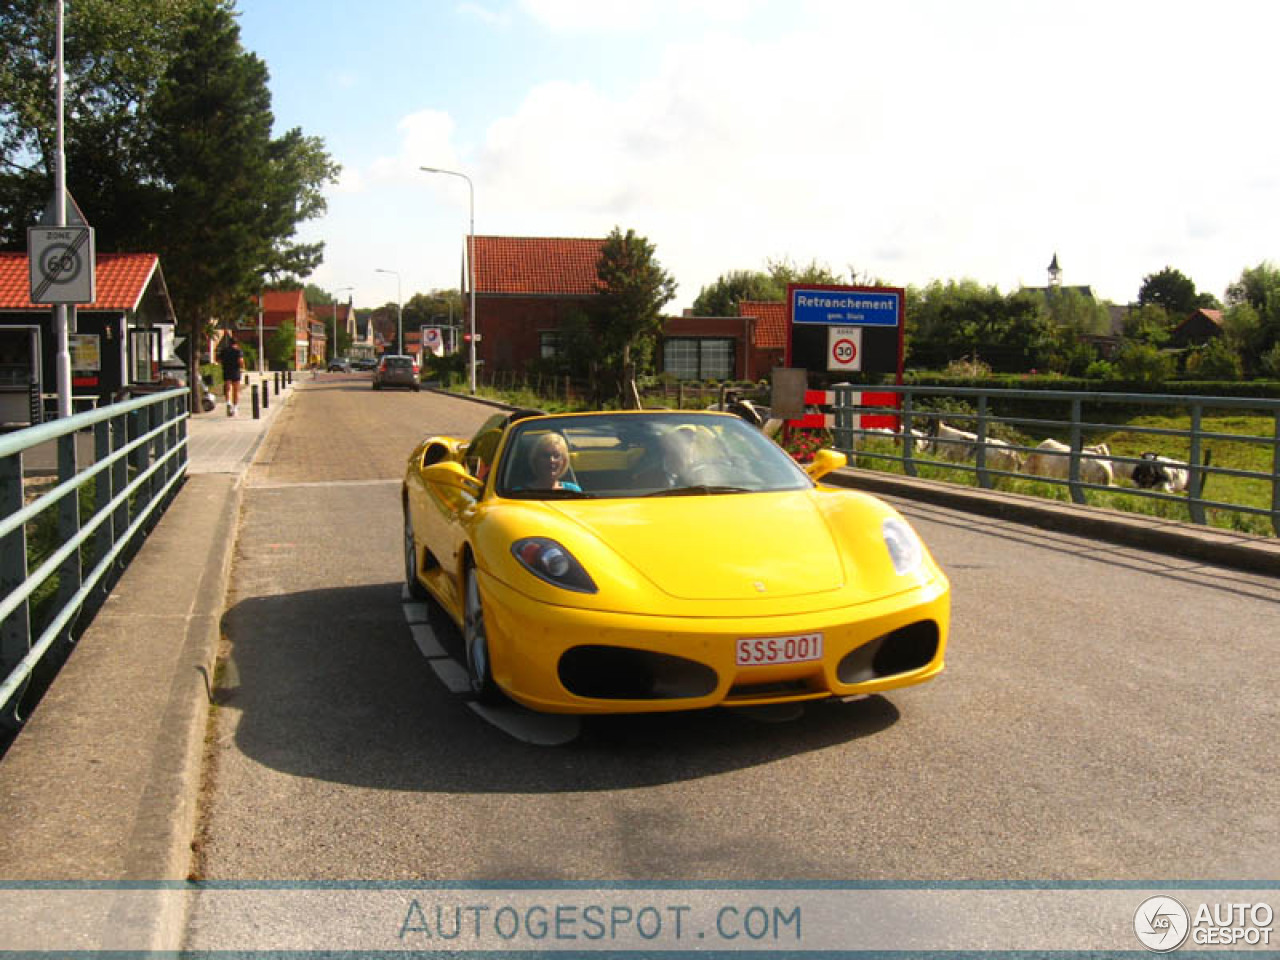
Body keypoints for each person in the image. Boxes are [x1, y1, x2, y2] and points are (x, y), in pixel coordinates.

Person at [217, 334, 243, 417]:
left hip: (226, 370)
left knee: (228, 388)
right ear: (236, 343)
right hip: (235, 370)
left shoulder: (224, 350)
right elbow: (241, 360)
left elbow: (218, 359)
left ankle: (228, 402)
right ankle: (235, 407)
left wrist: (224, 363)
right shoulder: (238, 351)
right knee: (236, 389)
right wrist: (242, 367)